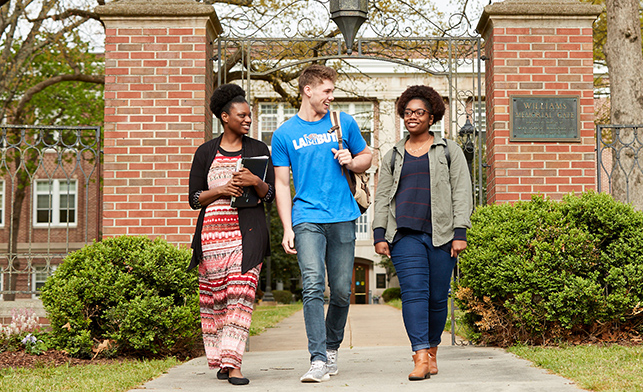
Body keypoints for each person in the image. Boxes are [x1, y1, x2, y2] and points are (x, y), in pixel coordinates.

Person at [270, 64, 373, 383]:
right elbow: (283, 185)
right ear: (308, 90)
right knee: (313, 284)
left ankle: (331, 347)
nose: (331, 96)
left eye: (332, 91)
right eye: (327, 91)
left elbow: (367, 156)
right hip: (306, 218)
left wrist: (351, 160)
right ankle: (317, 358)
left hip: (342, 216)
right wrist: (287, 227)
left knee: (341, 291)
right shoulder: (284, 133)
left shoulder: (344, 122)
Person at [372, 85, 473, 381]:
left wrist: (460, 232)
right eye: (407, 113)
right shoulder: (393, 154)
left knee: (438, 298)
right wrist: (379, 233)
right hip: (404, 234)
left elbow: (462, 192)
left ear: (432, 117)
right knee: (414, 294)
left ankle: (432, 350)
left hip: (441, 234)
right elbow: (381, 197)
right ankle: (418, 356)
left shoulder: (449, 150)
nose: (412, 117)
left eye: (419, 113)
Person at [187, 84, 275, 386]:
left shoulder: (259, 150)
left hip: (246, 236)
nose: (248, 120)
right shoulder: (206, 152)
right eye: (242, 115)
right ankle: (223, 361)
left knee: (241, 296)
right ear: (225, 117)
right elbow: (194, 199)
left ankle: (234, 364)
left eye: (249, 115)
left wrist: (255, 181)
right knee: (219, 302)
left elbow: (270, 194)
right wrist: (222, 190)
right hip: (211, 238)